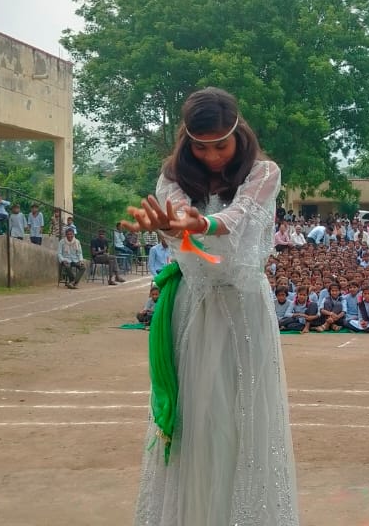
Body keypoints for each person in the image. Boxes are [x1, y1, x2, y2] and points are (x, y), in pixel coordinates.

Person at [123, 87, 297, 525]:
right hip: (195, 309)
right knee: (197, 422)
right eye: (201, 148)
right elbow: (181, 232)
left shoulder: (263, 172)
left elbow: (239, 218)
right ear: (187, 142)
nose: (213, 156)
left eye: (221, 145)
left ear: (240, 134)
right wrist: (172, 227)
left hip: (245, 310)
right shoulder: (172, 180)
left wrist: (204, 222)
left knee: (245, 419)